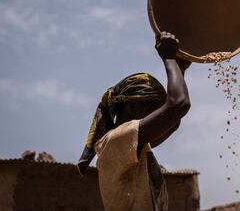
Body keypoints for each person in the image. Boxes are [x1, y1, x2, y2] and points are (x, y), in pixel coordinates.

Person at [77, 31, 191, 211]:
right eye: (154, 109)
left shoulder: (133, 145)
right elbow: (179, 104)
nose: (157, 114)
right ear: (132, 107)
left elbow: (173, 120)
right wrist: (168, 58)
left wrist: (180, 69)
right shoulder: (116, 140)